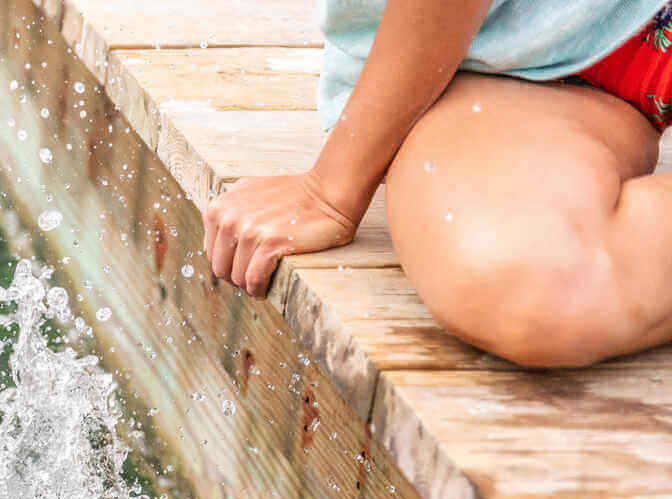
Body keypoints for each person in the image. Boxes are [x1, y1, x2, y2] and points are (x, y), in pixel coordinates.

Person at [202, 1, 672, 368]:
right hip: (536, 55)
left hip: (538, 39)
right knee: (536, 282)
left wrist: (330, 189)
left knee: (529, 280)